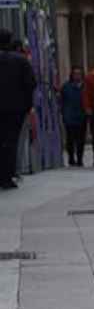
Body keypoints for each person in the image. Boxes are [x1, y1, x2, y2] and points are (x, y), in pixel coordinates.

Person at [0, 30, 36, 189]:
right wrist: (28, 105)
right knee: (11, 141)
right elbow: (30, 84)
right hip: (15, 108)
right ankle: (7, 176)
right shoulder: (20, 61)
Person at [59, 68, 87, 167]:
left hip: (82, 116)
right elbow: (61, 101)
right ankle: (71, 158)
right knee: (70, 139)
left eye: (79, 74)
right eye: (75, 74)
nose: (77, 76)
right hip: (69, 116)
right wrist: (63, 113)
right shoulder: (66, 87)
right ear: (72, 75)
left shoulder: (85, 86)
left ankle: (79, 158)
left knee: (81, 139)